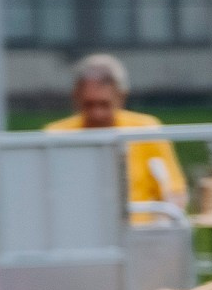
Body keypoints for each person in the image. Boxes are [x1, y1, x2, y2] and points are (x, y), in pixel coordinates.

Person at [46, 53, 188, 209]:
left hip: (137, 228)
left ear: (121, 97)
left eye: (104, 104)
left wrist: (162, 222)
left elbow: (174, 192)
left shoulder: (145, 130)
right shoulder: (56, 135)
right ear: (76, 98)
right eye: (89, 104)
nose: (96, 113)